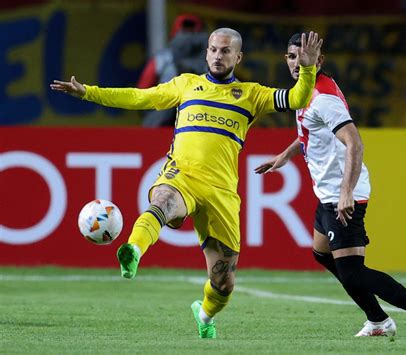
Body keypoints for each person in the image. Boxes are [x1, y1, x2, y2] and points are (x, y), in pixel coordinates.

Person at [50, 28, 323, 339]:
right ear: (206, 53)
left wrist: (309, 66)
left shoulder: (252, 94)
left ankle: (205, 314)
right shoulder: (186, 85)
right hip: (183, 176)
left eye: (225, 51)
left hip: (220, 192)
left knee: (223, 282)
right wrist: (90, 92)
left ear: (238, 57)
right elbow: (140, 98)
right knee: (163, 201)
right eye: (213, 50)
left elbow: (298, 97)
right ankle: (133, 250)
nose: (218, 56)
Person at [254, 32, 406, 338]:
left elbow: (354, 144)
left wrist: (346, 192)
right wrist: (287, 154)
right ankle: (377, 320)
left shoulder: (323, 98)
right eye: (292, 57)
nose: (297, 63)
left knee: (353, 270)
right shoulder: (305, 92)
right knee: (322, 254)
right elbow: (311, 129)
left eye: (304, 57)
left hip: (343, 193)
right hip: (329, 192)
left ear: (318, 60)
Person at [137, 14, 208, 127]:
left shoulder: (210, 62)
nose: (187, 37)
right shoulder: (162, 59)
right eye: (185, 31)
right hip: (165, 118)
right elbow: (143, 90)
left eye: (190, 31)